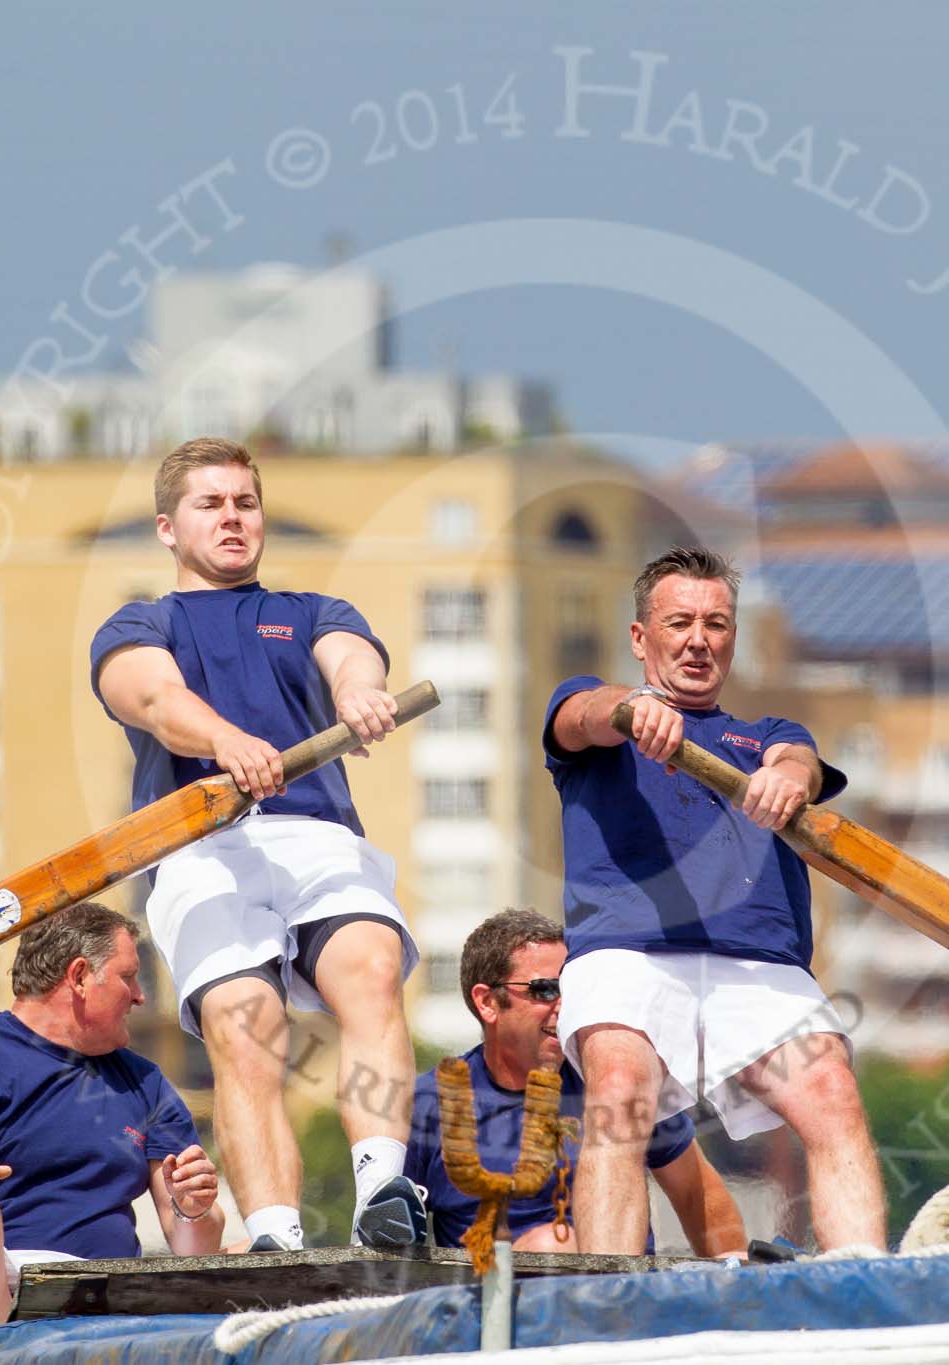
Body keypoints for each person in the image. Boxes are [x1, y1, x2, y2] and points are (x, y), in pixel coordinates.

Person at [89, 436, 423, 1253]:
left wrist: (359, 694)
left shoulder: (314, 611)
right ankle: (274, 1233)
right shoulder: (142, 622)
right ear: (168, 527)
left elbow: (353, 663)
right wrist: (230, 741)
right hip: (203, 843)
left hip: (315, 835)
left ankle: (383, 1189)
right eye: (211, 504)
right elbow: (156, 698)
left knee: (372, 970)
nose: (233, 518)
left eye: (245, 501)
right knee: (246, 1028)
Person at [542, 545, 887, 1255]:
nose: (699, 638)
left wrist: (789, 777)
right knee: (619, 1087)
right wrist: (629, 709)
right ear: (641, 637)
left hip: (757, 963)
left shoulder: (766, 737)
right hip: (628, 954)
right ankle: (604, 1295)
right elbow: (582, 715)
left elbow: (802, 763)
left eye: (717, 623)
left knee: (830, 1087)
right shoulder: (600, 711)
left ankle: (862, 1282)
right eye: (680, 622)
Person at [0, 902, 222, 1348]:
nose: (140, 995)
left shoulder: (146, 1084)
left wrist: (193, 1207)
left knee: (252, 1256)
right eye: (128, 977)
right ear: (81, 976)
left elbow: (193, 1251)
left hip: (100, 1308)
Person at [406, 909, 746, 1256]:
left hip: (618, 1300)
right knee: (552, 1244)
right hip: (494, 1304)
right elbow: (391, 1238)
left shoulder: (616, 1080)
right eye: (545, 990)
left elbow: (697, 1194)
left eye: (573, 988)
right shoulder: (426, 1105)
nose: (565, 1005)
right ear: (487, 1002)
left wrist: (737, 1288)